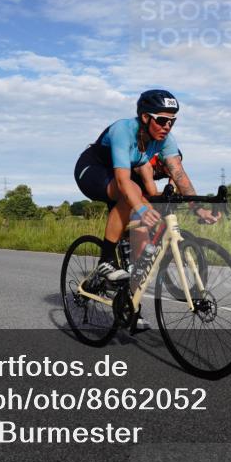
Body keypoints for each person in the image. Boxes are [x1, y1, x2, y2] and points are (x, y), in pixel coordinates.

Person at [74, 89, 218, 330]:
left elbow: (178, 175)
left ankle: (130, 302)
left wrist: (198, 208)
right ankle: (106, 259)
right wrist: (139, 206)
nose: (167, 126)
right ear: (145, 117)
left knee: (145, 218)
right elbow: (123, 182)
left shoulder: (165, 140)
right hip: (93, 170)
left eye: (173, 121)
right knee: (130, 196)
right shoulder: (123, 130)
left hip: (124, 177)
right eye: (162, 120)